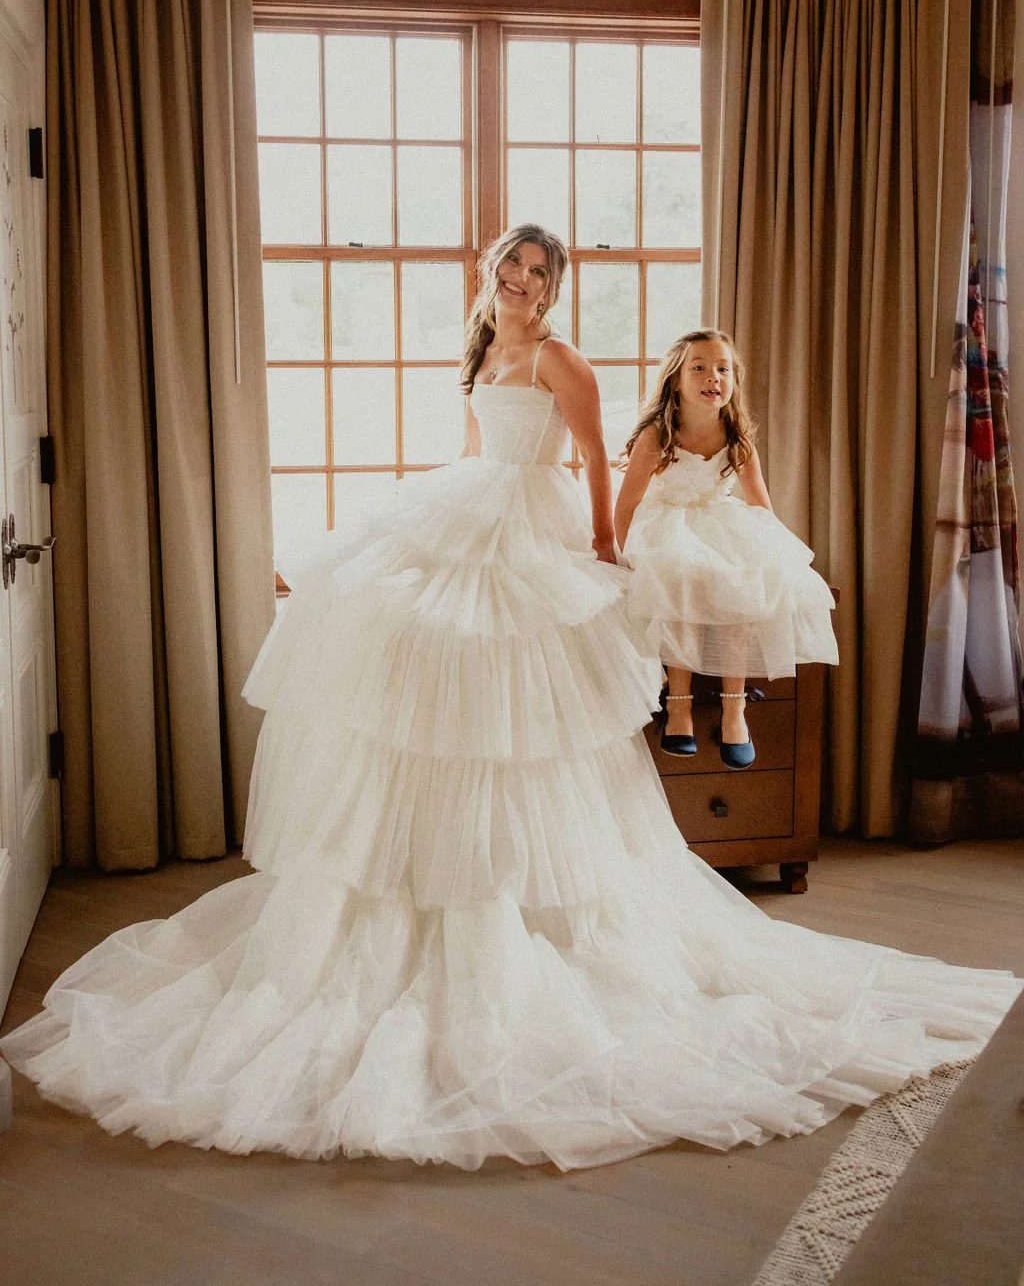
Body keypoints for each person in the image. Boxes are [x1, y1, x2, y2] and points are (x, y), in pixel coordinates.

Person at [0, 228, 1018, 1173]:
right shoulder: (485, 347)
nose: (518, 281)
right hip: (466, 506)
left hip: (528, 533)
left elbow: (591, 461)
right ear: (491, 273)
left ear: (554, 286)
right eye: (509, 265)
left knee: (509, 697)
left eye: (535, 271)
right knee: (412, 663)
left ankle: (512, 897)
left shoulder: (561, 361)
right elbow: (494, 442)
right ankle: (405, 882)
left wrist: (611, 553)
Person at [615, 330, 838, 767]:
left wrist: (770, 556)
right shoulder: (656, 436)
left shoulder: (737, 439)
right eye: (698, 367)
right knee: (680, 581)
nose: (712, 377)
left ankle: (734, 708)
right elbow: (625, 507)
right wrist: (625, 562)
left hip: (720, 521)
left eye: (722, 369)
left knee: (739, 587)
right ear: (675, 380)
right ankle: (678, 706)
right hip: (667, 524)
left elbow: (760, 506)